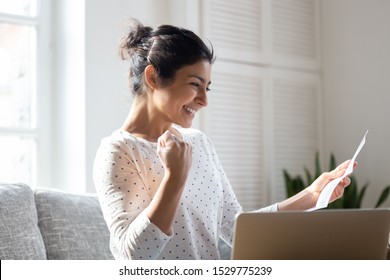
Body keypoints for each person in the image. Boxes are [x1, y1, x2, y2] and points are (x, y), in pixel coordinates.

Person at [93, 19, 354, 260]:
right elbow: (134, 257)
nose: (204, 101)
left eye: (207, 88)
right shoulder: (119, 151)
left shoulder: (198, 143)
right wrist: (174, 178)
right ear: (153, 77)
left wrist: (311, 195)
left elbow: (236, 228)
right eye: (195, 84)